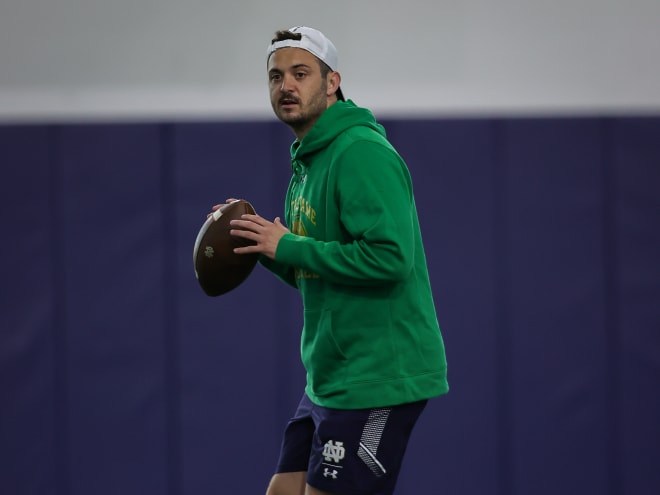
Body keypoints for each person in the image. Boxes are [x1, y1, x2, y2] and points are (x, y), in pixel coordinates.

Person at [218, 26, 449, 495]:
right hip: (331, 376)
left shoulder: (359, 152)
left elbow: (389, 258)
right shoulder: (308, 164)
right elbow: (314, 269)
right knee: (283, 491)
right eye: (276, 76)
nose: (286, 86)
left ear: (332, 82)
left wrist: (289, 246)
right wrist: (261, 243)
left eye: (300, 73)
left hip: (378, 375)